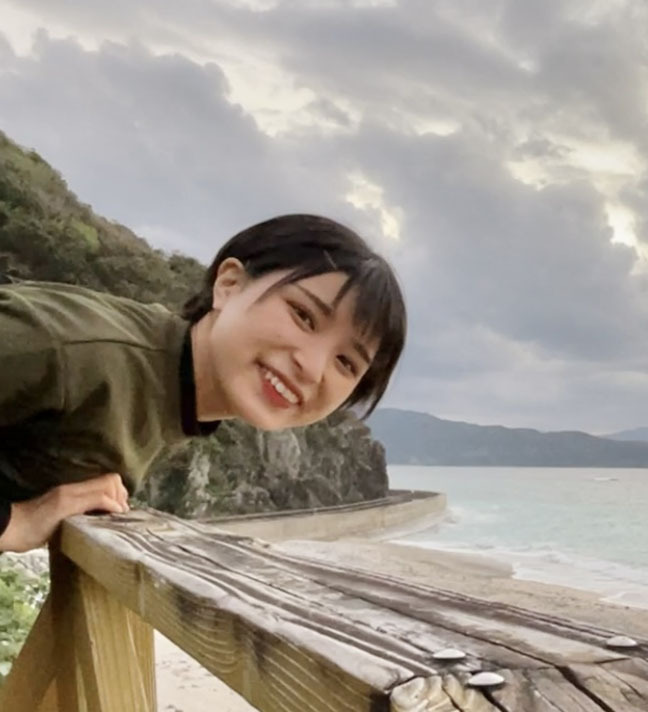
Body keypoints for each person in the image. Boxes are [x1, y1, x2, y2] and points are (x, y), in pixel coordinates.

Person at [0, 213, 407, 553]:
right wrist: (17, 521)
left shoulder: (167, 394)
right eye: (303, 315)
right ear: (229, 284)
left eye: (345, 362)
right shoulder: (78, 349)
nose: (312, 368)